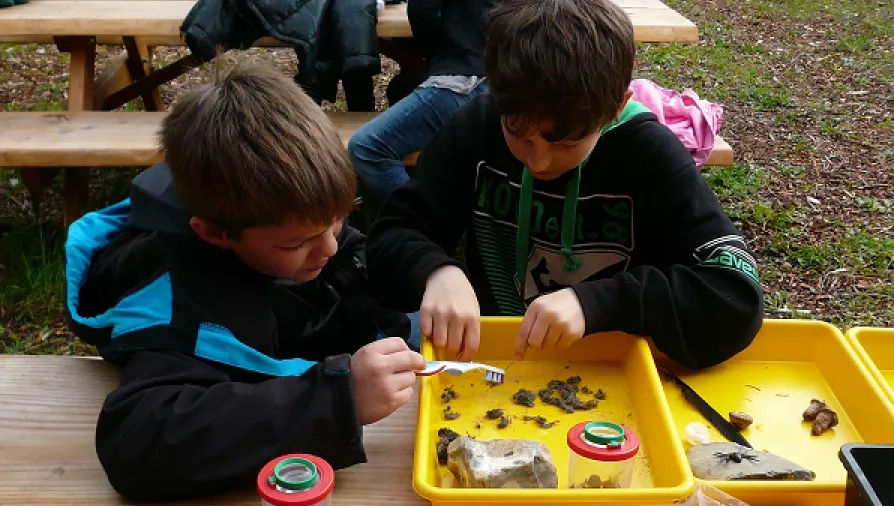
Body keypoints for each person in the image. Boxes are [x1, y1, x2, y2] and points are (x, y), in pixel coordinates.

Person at [63, 61, 425, 501]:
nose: (329, 248)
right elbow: (136, 441)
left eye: (338, 220)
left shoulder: (280, 215)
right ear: (215, 234)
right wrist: (337, 400)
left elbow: (346, 255)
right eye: (299, 244)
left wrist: (429, 277)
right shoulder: (186, 304)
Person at [365, 0, 764, 370]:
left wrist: (598, 303)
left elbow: (735, 297)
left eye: (567, 143)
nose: (538, 161)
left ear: (616, 106)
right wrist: (435, 270)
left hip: (612, 371)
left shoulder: (648, 154)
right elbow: (391, 234)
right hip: (496, 362)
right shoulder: (477, 127)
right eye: (519, 135)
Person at [347, 0, 495, 212]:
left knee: (368, 147)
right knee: (401, 87)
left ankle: (419, 226)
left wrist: (434, 52)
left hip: (467, 80)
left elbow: (422, 10)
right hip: (503, 74)